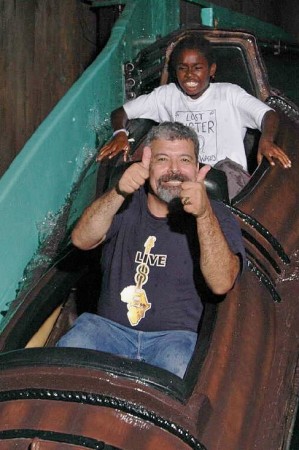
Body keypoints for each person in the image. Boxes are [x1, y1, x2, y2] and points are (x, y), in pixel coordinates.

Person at [57, 122, 245, 378]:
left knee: (184, 384)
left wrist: (203, 215)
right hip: (105, 331)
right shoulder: (123, 203)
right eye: (163, 159)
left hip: (174, 340)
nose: (174, 170)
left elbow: (222, 283)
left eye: (185, 160)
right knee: (62, 366)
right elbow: (81, 240)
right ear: (147, 165)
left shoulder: (216, 215)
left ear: (198, 167)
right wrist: (118, 191)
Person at [97, 33, 291, 198]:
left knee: (215, 181)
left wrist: (266, 140)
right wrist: (120, 133)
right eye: (183, 68)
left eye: (197, 68)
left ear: (211, 70)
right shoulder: (166, 95)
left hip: (225, 177)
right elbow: (121, 112)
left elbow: (268, 115)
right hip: (181, 173)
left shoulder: (229, 94)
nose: (190, 75)